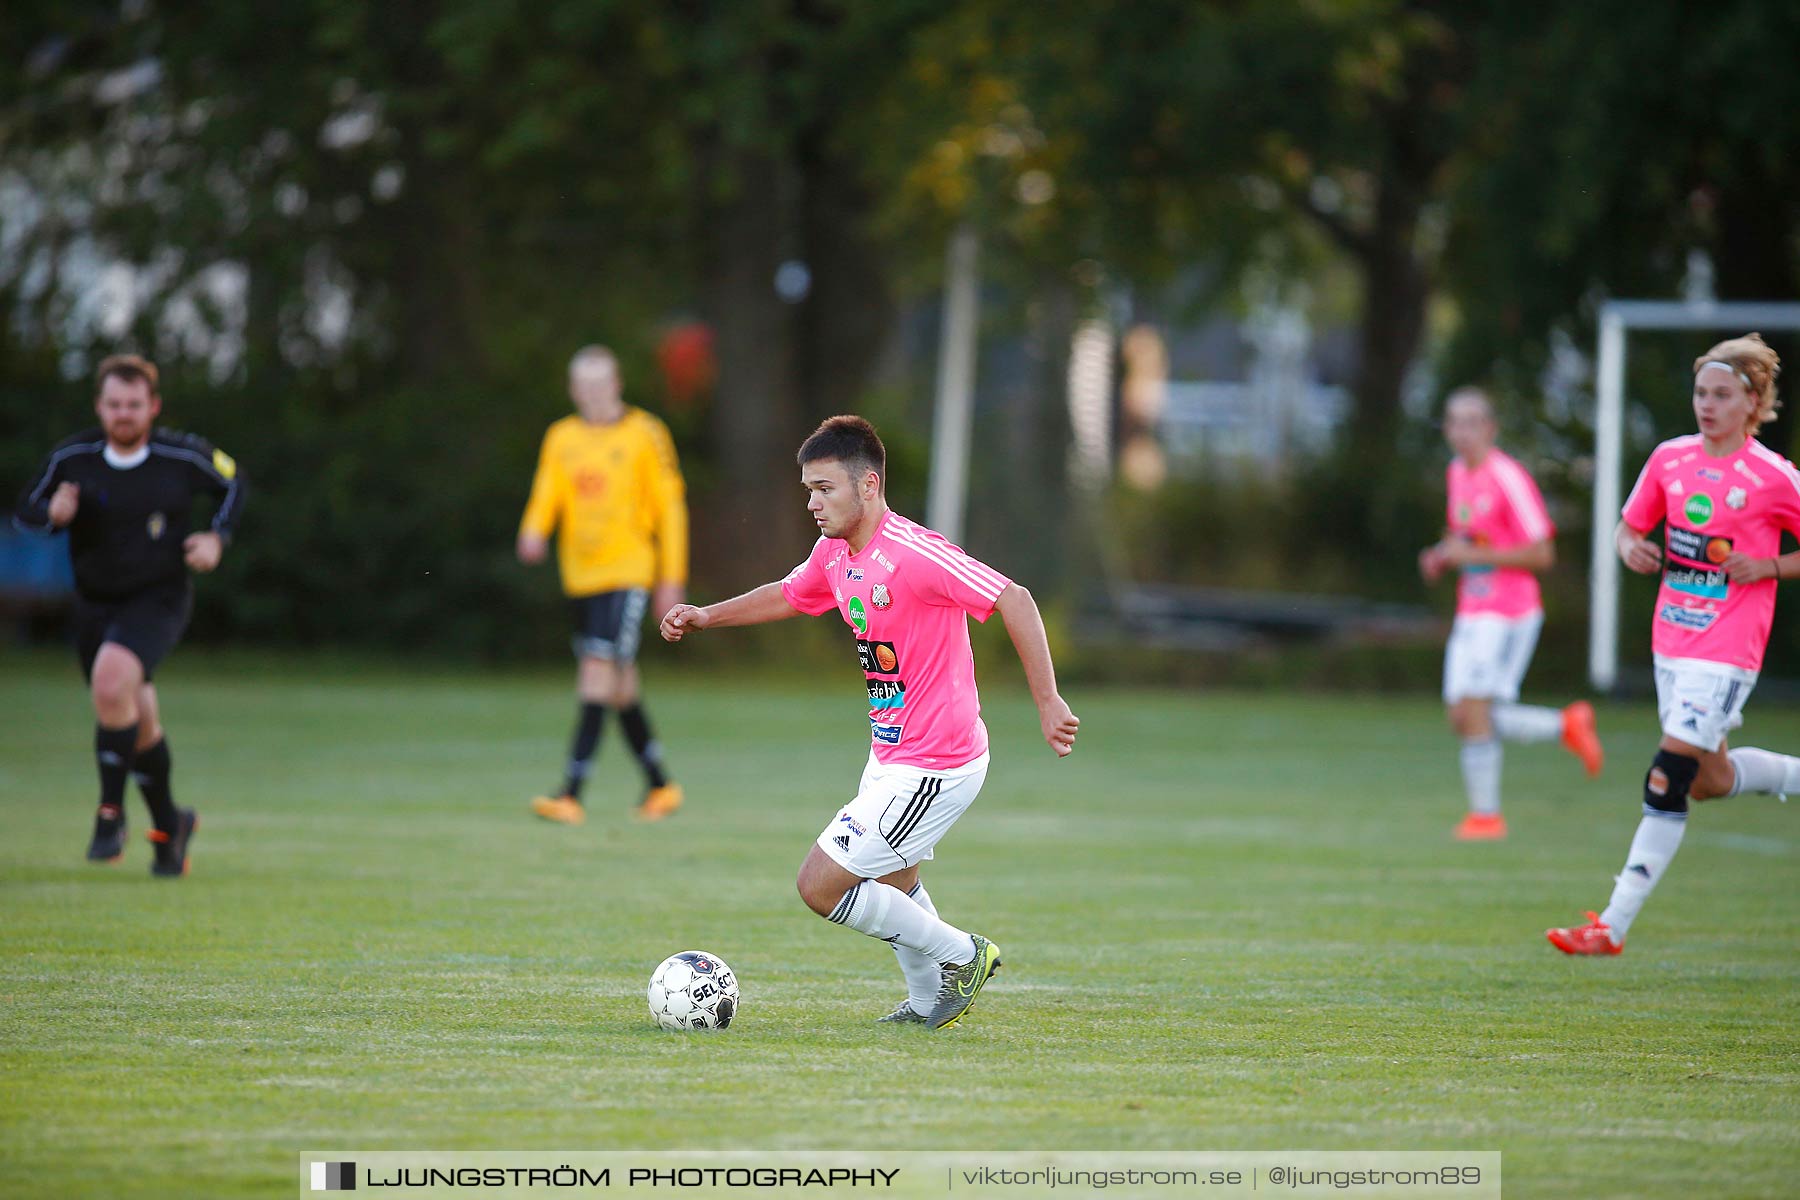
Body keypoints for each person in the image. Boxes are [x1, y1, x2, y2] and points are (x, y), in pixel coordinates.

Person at [659, 415, 1080, 1030]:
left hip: (937, 762)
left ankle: (965, 955)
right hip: (891, 754)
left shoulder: (916, 554)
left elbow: (1013, 598)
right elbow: (788, 594)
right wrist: (705, 616)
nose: (813, 502)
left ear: (869, 486)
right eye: (808, 489)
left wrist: (1048, 701)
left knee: (820, 885)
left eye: (825, 488)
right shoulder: (834, 554)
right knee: (896, 879)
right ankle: (928, 1001)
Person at [1549, 334, 1800, 955]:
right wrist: (1627, 545)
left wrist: (1770, 567)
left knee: (1668, 775)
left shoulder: (1772, 477)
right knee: (1709, 778)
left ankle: (1611, 924)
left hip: (1728, 647)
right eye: (1700, 393)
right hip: (1674, 641)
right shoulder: (1670, 460)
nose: (1706, 405)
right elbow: (1628, 526)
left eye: (1721, 395)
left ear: (1753, 401)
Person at [12, 353, 245, 876]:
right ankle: (170, 826)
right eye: (114, 404)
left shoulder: (181, 456)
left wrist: (217, 538)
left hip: (159, 599)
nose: (124, 414)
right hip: (95, 604)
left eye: (134, 405)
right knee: (135, 719)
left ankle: (109, 815)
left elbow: (234, 480)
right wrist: (53, 515)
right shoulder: (73, 458)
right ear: (100, 406)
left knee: (112, 680)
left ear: (153, 407)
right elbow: (27, 508)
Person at [1418, 387, 1604, 841]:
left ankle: (1486, 817)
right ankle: (1565, 725)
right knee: (1463, 716)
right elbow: (1470, 538)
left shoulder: (1508, 477)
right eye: (1453, 422)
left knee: (1476, 710)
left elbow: (1542, 554)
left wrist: (1466, 556)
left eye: (1471, 422)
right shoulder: (1457, 472)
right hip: (1474, 608)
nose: (1461, 432)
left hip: (1508, 610)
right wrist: (1443, 555)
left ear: (1490, 428)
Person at [518, 345, 688, 824]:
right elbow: (547, 488)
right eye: (583, 386)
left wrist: (670, 579)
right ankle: (660, 785)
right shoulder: (561, 437)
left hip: (629, 571)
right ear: (573, 391)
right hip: (581, 576)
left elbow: (670, 508)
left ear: (617, 385)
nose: (592, 395)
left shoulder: (646, 433)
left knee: (597, 669)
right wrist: (534, 529)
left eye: (601, 384)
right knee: (619, 683)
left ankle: (570, 793)